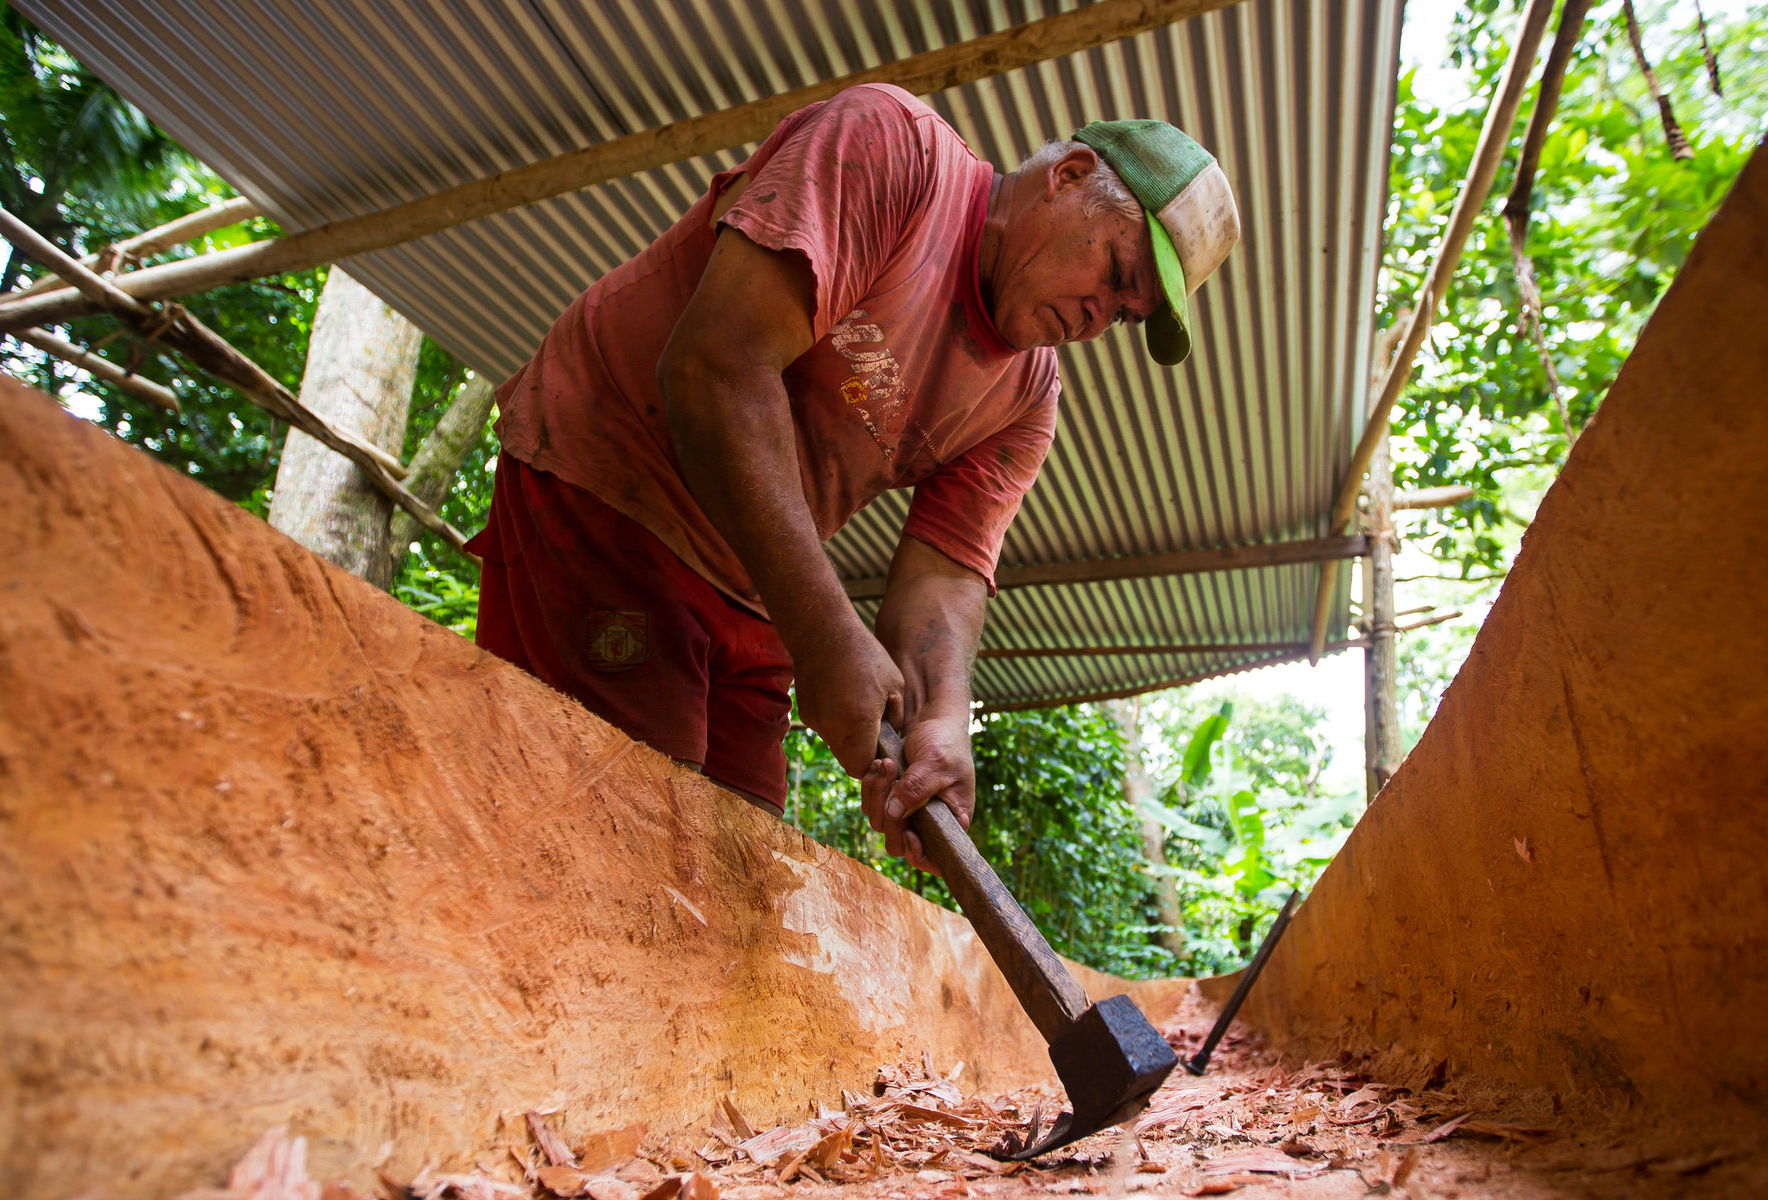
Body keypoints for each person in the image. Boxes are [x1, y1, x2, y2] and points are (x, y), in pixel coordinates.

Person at [469, 83, 1239, 869]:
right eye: (1115, 270)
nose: (1099, 317)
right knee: (624, 853)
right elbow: (713, 369)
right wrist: (828, 638)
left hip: (755, 579)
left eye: (1126, 315)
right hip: (615, 483)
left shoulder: (1026, 397)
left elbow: (943, 577)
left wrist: (942, 718)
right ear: (1069, 174)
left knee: (739, 872)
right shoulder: (894, 148)